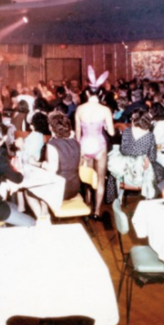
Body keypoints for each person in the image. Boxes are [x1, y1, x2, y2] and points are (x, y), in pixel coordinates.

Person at [74, 67, 115, 217]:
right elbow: (111, 133)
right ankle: (97, 211)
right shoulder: (105, 110)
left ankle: (87, 203)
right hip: (99, 145)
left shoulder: (79, 109)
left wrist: (79, 150)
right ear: (101, 94)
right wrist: (106, 126)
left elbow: (78, 133)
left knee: (86, 177)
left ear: (86, 93)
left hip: (84, 145)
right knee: (100, 180)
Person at [106, 110, 164, 202]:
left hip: (124, 172)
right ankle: (151, 197)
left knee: (112, 172)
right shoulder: (150, 135)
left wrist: (132, 155)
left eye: (131, 118)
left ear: (134, 120)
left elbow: (123, 150)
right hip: (141, 172)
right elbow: (153, 157)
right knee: (160, 171)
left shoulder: (127, 131)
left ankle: (114, 198)